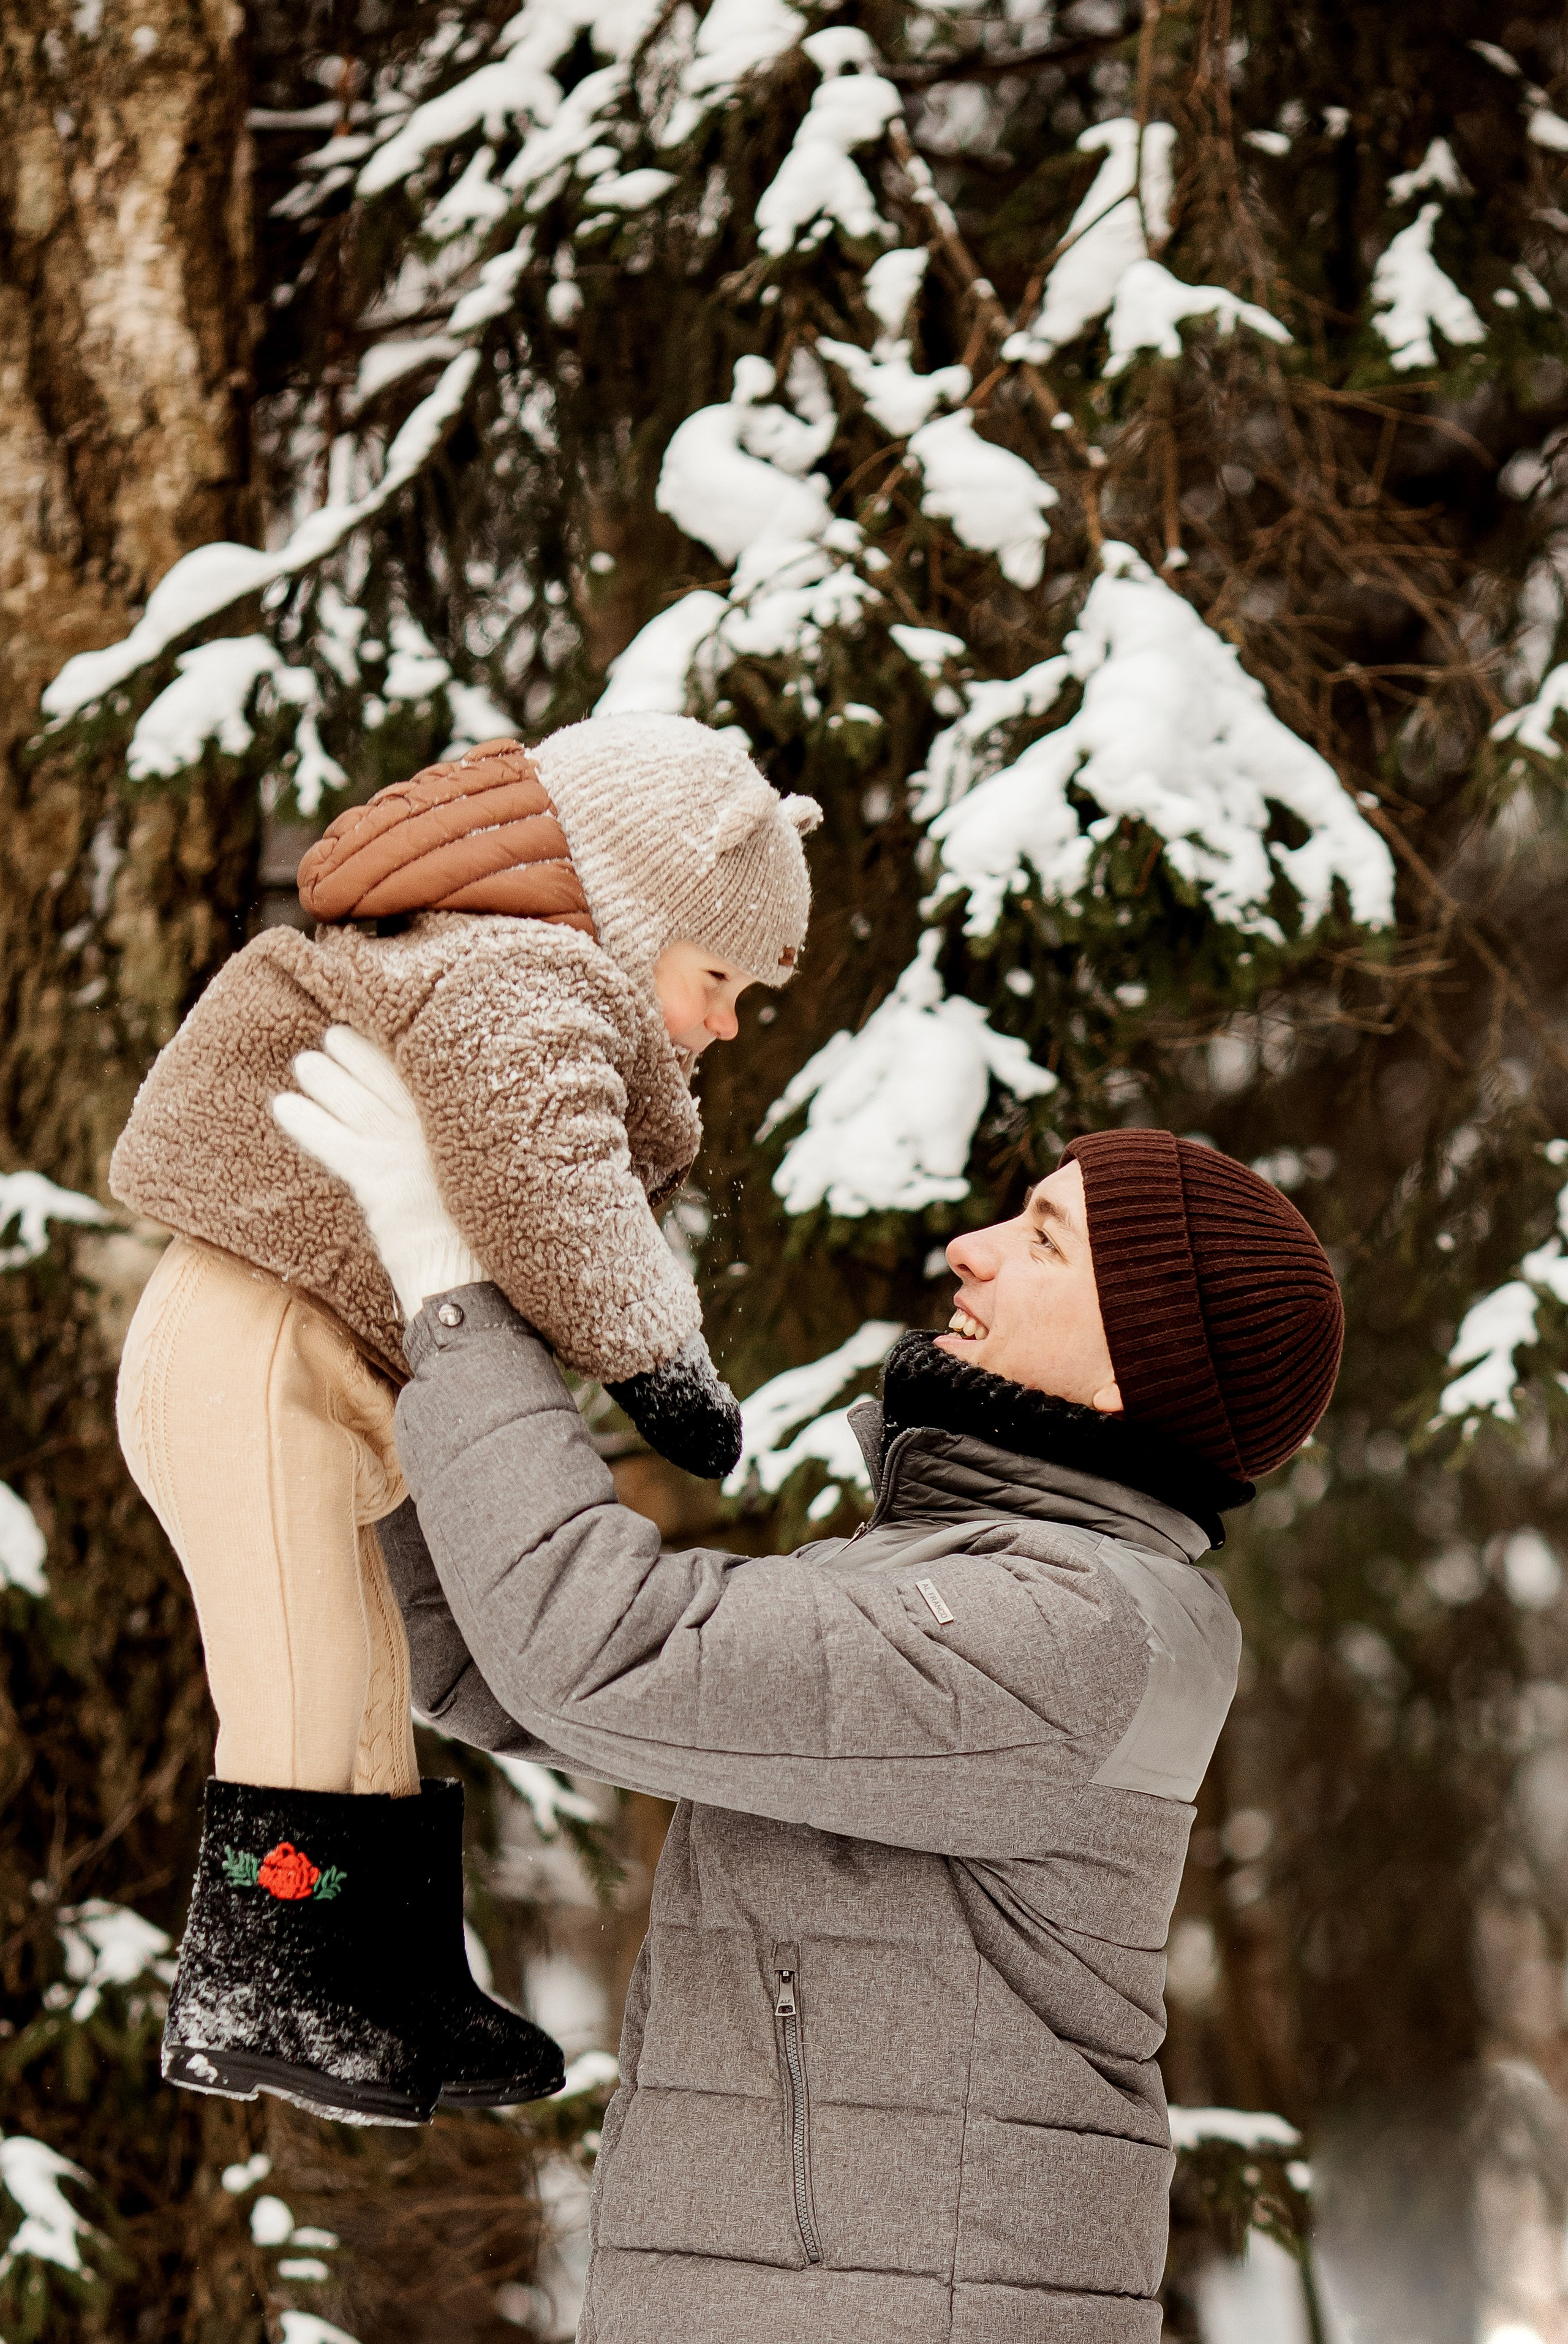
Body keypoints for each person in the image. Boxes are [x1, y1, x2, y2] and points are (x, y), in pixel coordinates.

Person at [276, 1044, 1343, 2341]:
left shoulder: (1065, 1628)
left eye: (1045, 1241)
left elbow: (601, 1649)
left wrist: (451, 1291)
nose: (970, 1244)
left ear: (1135, 1372)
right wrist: (388, 1375)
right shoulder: (975, 1574)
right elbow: (515, 1667)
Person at [111, 713, 820, 2126]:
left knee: (368, 1695)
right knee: (305, 1693)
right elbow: (544, 1174)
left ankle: (384, 1975)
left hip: (308, 1370)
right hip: (254, 1358)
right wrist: (659, 1358)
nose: (727, 1021)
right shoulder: (517, 973)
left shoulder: (501, 966)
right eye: (721, 975)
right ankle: (267, 1981)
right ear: (636, 908)